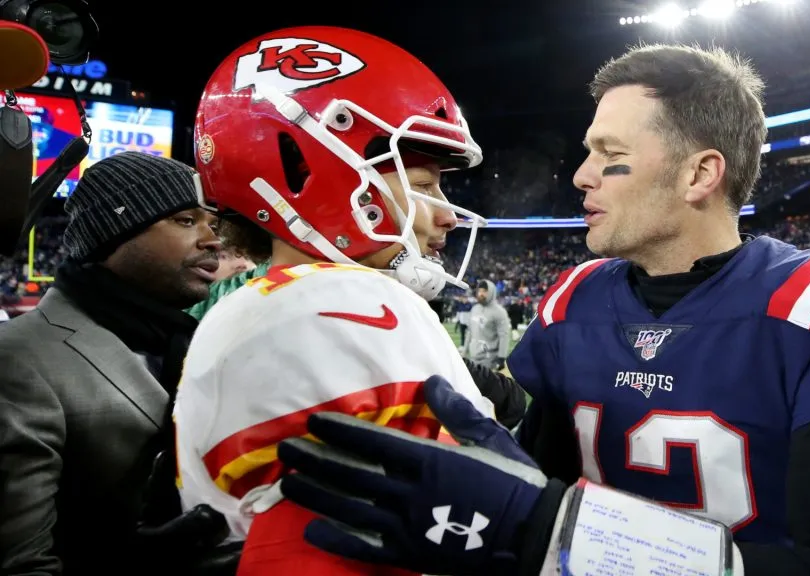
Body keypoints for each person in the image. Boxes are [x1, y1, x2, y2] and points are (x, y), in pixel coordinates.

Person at [274, 44, 810, 576]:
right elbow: (533, 472)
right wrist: (492, 409)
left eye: (611, 154)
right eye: (586, 152)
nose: (580, 175)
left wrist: (554, 531)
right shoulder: (576, 298)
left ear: (699, 174)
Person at [172, 26, 498, 576]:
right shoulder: (341, 305)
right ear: (305, 169)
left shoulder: (262, 305)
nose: (446, 213)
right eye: (421, 181)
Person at [0, 152, 232, 574]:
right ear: (115, 234)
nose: (212, 239)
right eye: (185, 220)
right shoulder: (17, 356)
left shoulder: (200, 342)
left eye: (212, 224)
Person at [463, 279, 511, 370]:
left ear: (491, 292)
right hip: (473, 357)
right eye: (479, 291)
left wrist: (501, 357)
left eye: (484, 291)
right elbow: (469, 332)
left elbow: (504, 335)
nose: (481, 294)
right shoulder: (475, 309)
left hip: (489, 359)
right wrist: (465, 351)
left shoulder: (499, 312)